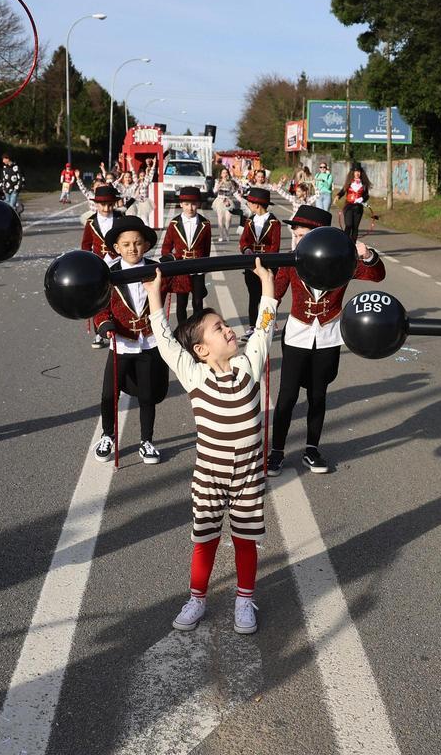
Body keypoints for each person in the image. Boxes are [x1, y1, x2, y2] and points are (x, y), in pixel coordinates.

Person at [145, 256, 278, 635]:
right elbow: (167, 345)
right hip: (210, 476)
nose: (229, 331)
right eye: (219, 329)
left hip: (249, 475)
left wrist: (267, 287)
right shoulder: (194, 376)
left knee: (245, 538)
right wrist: (156, 298)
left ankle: (244, 599)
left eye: (226, 324)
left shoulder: (248, 365)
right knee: (204, 538)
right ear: (202, 350)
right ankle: (197, 598)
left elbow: (264, 329)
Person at [268, 205, 386, 476]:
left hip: (328, 336)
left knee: (318, 395)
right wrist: (264, 324)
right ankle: (276, 452)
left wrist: (367, 255)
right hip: (297, 333)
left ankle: (311, 449)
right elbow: (274, 294)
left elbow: (377, 276)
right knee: (286, 396)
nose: (297, 241)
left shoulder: (341, 261)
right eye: (295, 235)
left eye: (303, 236)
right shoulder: (291, 260)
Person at [91, 216, 171, 464]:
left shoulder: (156, 271)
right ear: (116, 247)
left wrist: (177, 264)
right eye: (126, 244)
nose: (132, 248)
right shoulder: (108, 274)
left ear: (146, 245)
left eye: (137, 243)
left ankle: (146, 441)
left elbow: (180, 285)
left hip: (148, 342)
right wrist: (105, 325)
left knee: (146, 396)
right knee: (108, 394)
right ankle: (108, 435)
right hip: (121, 343)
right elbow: (100, 306)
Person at [80, 184, 125, 348]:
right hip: (98, 264)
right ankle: (98, 333)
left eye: (109, 204)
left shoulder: (120, 218)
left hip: (118, 262)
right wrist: (86, 264)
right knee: (98, 299)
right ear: (96, 205)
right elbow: (86, 245)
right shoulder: (91, 222)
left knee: (118, 297)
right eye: (102, 204)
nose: (106, 208)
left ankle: (118, 329)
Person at [162, 186, 213, 325]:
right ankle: (182, 329)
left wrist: (205, 265)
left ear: (199, 204)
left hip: (198, 268)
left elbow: (206, 247)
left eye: (194, 204)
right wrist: (170, 261)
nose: (190, 207)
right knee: (181, 302)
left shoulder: (205, 224)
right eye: (186, 204)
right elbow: (166, 247)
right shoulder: (174, 223)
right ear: (181, 204)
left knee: (198, 301)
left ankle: (197, 328)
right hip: (181, 268)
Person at [238, 186, 282, 335]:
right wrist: (246, 250)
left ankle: (269, 322)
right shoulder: (249, 221)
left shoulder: (274, 223)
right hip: (251, 265)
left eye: (249, 202)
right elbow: (243, 240)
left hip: (267, 266)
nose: (248, 205)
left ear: (256, 205)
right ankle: (252, 326)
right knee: (253, 296)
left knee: (267, 296)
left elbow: (275, 246)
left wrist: (265, 262)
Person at [337, 165, 373, 242]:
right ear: (353, 173)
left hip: (358, 207)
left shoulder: (363, 184)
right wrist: (338, 196)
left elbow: (367, 195)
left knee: (355, 227)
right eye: (356, 172)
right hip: (348, 206)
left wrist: (362, 198)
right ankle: (345, 242)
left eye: (359, 172)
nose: (357, 173)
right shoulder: (349, 182)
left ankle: (353, 245)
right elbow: (343, 191)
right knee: (349, 225)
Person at [212, 168, 239, 243]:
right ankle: (221, 235)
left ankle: (227, 232)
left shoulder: (231, 182)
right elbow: (214, 191)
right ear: (221, 174)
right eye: (223, 173)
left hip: (228, 201)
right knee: (220, 218)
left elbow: (234, 192)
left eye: (226, 172)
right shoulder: (218, 181)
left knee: (228, 218)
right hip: (219, 200)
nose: (225, 174)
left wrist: (241, 199)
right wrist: (219, 185)